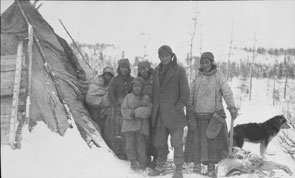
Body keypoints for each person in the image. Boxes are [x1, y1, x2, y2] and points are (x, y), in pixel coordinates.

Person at [184, 52, 238, 177]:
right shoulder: (198, 76)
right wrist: (189, 107)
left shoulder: (219, 76)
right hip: (198, 116)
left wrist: (232, 107)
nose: (204, 65)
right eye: (202, 63)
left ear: (212, 62)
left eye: (207, 62)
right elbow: (191, 93)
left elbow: (227, 92)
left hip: (214, 117)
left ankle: (211, 166)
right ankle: (197, 163)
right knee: (197, 142)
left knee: (213, 144)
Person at [149, 45, 190, 178]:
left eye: (166, 55)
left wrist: (178, 106)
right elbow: (155, 91)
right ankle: (160, 165)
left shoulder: (179, 71)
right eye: (161, 56)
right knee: (159, 142)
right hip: (160, 114)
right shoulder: (156, 71)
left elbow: (185, 93)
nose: (164, 58)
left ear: (171, 56)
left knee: (177, 143)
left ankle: (178, 169)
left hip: (175, 114)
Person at [121, 76, 152, 171]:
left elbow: (149, 110)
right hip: (129, 126)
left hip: (141, 127)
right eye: (135, 86)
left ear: (142, 87)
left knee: (141, 145)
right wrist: (131, 113)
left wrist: (138, 112)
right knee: (130, 145)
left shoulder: (146, 98)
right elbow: (123, 109)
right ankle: (133, 162)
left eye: (139, 86)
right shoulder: (128, 97)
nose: (137, 88)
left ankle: (142, 163)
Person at [105, 58, 134, 160]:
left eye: (126, 67)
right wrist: (117, 105)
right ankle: (118, 151)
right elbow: (111, 93)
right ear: (119, 68)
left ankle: (128, 152)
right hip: (117, 108)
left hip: (129, 108)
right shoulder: (115, 80)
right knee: (117, 130)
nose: (124, 69)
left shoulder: (132, 80)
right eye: (122, 67)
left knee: (128, 130)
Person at [137, 61, 157, 168]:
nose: (142, 71)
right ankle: (146, 157)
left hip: (154, 112)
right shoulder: (138, 80)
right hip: (143, 113)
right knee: (145, 136)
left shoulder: (154, 80)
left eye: (144, 69)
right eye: (140, 69)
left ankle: (156, 159)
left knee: (155, 136)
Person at [86, 66, 114, 137]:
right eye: (106, 75)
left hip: (103, 111)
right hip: (94, 109)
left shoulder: (111, 84)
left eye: (110, 75)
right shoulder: (98, 81)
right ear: (104, 74)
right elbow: (91, 94)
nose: (108, 77)